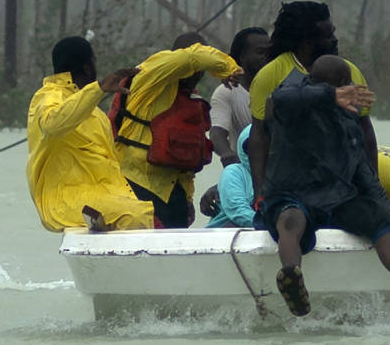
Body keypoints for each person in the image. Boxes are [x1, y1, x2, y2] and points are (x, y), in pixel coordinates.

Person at [259, 55, 390, 319]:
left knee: (379, 221)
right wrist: (329, 94)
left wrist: (385, 211)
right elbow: (281, 99)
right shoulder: (291, 101)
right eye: (346, 85)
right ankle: (292, 278)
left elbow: (363, 171)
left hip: (336, 198)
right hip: (291, 193)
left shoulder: (348, 120)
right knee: (290, 219)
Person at [248, 1, 377, 211]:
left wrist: (374, 186)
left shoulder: (349, 71)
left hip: (343, 188)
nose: (335, 39)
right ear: (307, 42)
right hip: (290, 188)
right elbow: (260, 137)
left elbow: (365, 132)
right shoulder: (270, 75)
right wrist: (259, 192)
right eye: (328, 36)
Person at [113, 32, 242, 229]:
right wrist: (229, 69)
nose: (197, 75)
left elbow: (184, 157)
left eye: (201, 71)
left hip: (174, 194)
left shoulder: (189, 99)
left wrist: (188, 198)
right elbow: (193, 56)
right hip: (136, 186)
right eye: (195, 69)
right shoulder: (151, 75)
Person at [26, 36, 154, 231]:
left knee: (146, 211)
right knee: (135, 214)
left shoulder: (93, 111)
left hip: (101, 196)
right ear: (87, 67)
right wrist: (99, 89)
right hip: (63, 199)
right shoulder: (48, 96)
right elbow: (52, 124)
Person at [208, 27, 270, 166]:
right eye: (260, 52)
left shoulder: (281, 87)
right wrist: (226, 153)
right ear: (242, 56)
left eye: (269, 52)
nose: (266, 57)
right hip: (246, 172)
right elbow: (217, 133)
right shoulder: (226, 91)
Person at [205, 125, 257, 228]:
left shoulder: (276, 176)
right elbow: (238, 211)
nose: (258, 152)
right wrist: (270, 225)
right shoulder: (234, 172)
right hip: (223, 238)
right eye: (251, 147)